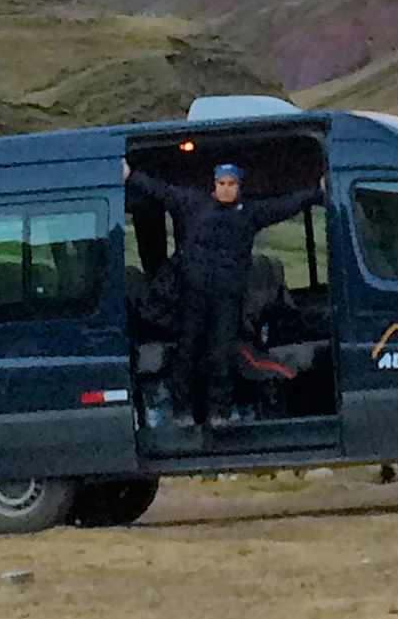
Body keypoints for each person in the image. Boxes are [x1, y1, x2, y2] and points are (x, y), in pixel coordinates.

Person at [124, 159, 322, 429]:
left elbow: (284, 206)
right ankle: (182, 413)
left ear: (239, 187)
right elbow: (162, 191)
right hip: (193, 298)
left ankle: (219, 413)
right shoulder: (192, 204)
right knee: (187, 352)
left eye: (231, 184)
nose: (226, 189)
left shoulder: (250, 213)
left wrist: (317, 192)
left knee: (221, 355)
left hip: (227, 300)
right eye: (221, 184)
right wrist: (131, 176)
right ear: (213, 185)